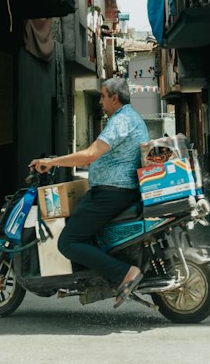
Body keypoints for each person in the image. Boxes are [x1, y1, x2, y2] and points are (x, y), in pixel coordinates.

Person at [30, 76, 148, 307]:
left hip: (113, 192)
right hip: (115, 191)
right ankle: (98, 279)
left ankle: (126, 273)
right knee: (83, 230)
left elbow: (89, 155)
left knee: (67, 242)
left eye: (103, 97)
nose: (101, 102)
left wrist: (52, 162)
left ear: (114, 98)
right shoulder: (132, 118)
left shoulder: (121, 121)